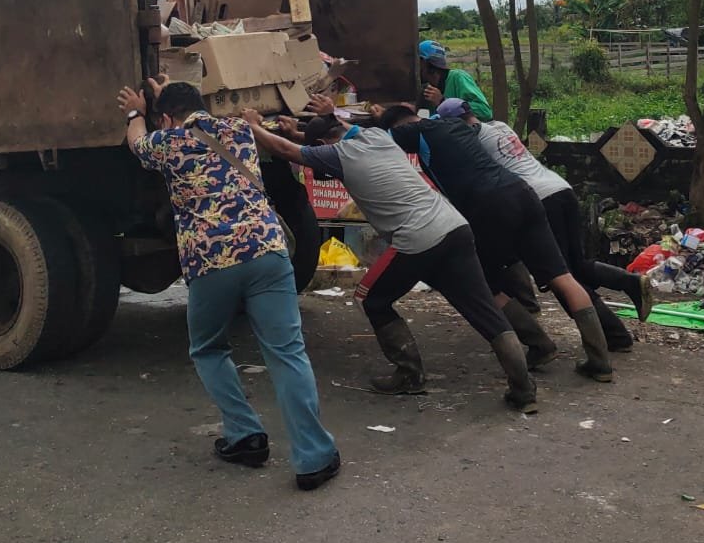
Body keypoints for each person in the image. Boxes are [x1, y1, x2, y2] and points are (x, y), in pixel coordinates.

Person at [118, 76, 340, 491]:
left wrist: (137, 111)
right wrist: (169, 99)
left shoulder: (168, 143)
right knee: (287, 353)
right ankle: (314, 458)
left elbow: (137, 142)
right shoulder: (238, 130)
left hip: (211, 261)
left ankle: (245, 435)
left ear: (167, 118)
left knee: (207, 348)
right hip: (267, 251)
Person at [243, 111, 538, 413]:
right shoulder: (376, 136)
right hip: (454, 226)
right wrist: (299, 129)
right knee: (484, 308)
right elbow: (332, 132)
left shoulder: (339, 155)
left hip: (417, 237)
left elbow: (286, 150)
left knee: (371, 299)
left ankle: (410, 374)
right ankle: (524, 388)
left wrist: (253, 126)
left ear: (321, 144)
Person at [377, 103, 615, 382]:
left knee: (485, 284)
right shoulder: (455, 124)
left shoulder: (411, 131)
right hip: (522, 193)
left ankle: (539, 344)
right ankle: (600, 362)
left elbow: (373, 141)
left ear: (400, 126)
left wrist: (370, 118)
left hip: (487, 206)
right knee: (561, 276)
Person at [439, 98, 653, 353]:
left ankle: (615, 336)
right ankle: (629, 283)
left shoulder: (472, 140)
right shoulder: (500, 127)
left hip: (539, 200)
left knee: (560, 278)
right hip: (560, 189)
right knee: (577, 266)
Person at [418, 39, 492, 120]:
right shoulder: (425, 88)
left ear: (424, 63)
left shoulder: (458, 78)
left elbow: (485, 111)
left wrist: (443, 101)